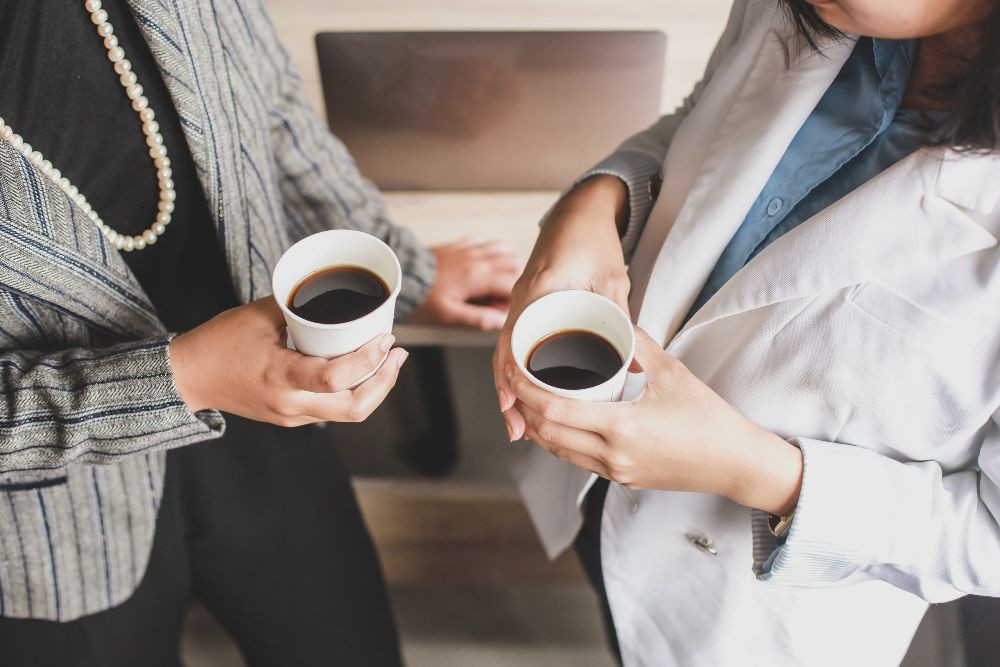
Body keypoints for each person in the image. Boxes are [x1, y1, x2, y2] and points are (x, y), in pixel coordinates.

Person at [0, 0, 519, 665]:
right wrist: (184, 377)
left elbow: (269, 103)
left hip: (269, 420)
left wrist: (395, 268)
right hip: (47, 520)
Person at [493, 0, 1000, 664]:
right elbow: (702, 118)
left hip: (751, 603)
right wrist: (598, 202)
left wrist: (749, 469)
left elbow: (988, 537)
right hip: (602, 496)